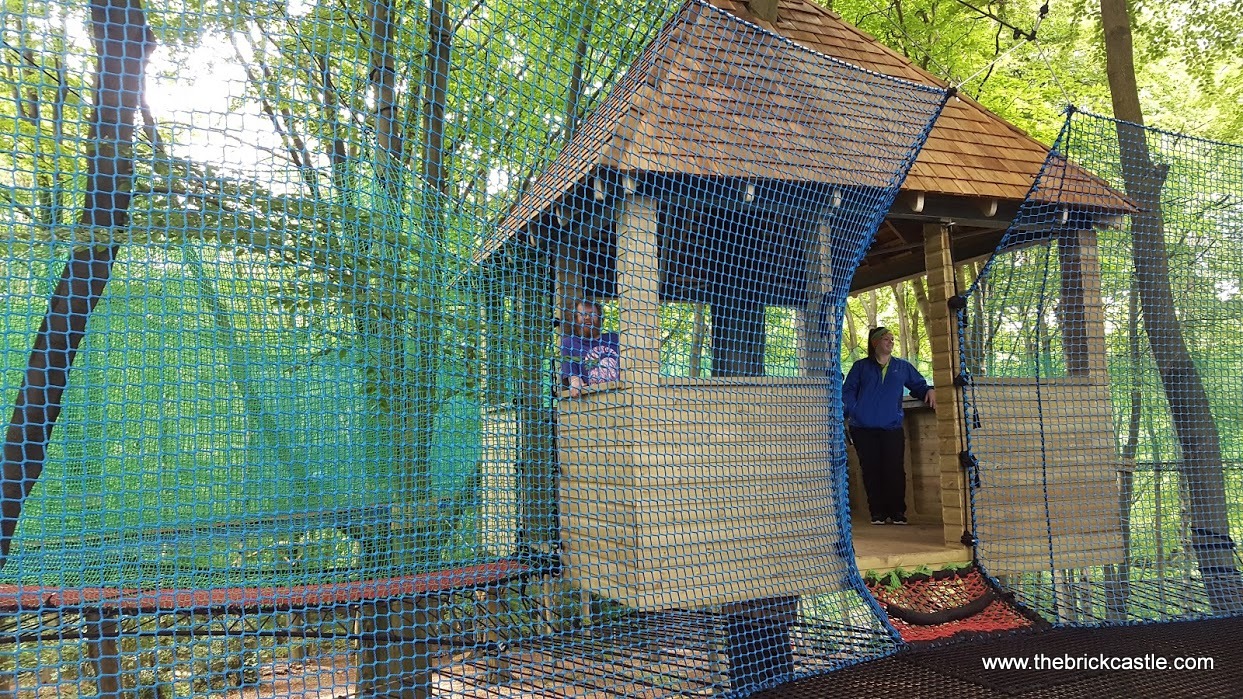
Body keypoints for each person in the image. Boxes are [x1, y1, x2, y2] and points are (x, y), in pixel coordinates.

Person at [843, 326, 936, 525]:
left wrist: (929, 390)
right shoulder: (860, 367)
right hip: (862, 428)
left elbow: (918, 385)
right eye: (886, 339)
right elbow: (848, 391)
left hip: (891, 426)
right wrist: (853, 410)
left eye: (892, 339)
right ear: (875, 343)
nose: (890, 342)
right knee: (870, 469)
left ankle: (897, 513)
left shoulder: (902, 367)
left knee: (894, 469)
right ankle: (877, 512)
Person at [560, 299, 620, 398]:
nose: (587, 317)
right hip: (592, 401)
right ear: (576, 319)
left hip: (619, 396)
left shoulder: (614, 339)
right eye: (583, 314)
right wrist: (575, 383)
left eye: (592, 314)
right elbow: (573, 376)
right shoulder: (569, 344)